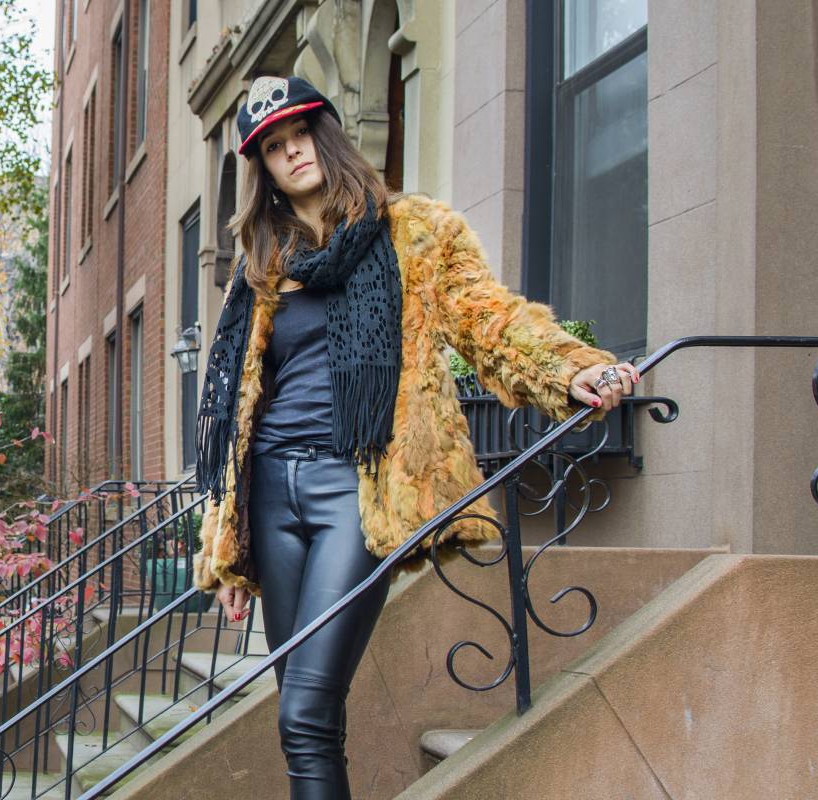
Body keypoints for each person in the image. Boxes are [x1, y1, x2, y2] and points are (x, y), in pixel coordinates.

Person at [193, 76, 638, 800]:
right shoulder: (261, 267)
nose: (291, 151)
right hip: (273, 489)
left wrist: (570, 369)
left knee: (304, 709)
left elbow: (486, 317)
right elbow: (240, 410)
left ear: (326, 134)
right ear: (263, 171)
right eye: (273, 147)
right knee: (306, 717)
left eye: (300, 133)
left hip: (360, 487)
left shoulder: (415, 232)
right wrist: (225, 548)